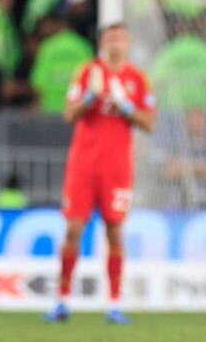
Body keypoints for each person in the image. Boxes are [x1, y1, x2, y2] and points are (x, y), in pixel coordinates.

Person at [44, 23, 156, 325]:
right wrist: (90, 99)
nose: (116, 42)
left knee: (115, 232)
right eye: (110, 37)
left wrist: (127, 106)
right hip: (83, 165)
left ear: (128, 41)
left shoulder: (137, 79)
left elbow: (149, 123)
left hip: (117, 168)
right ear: (103, 41)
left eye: (120, 37)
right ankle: (62, 300)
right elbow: (69, 113)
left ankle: (115, 304)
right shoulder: (87, 72)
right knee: (73, 230)